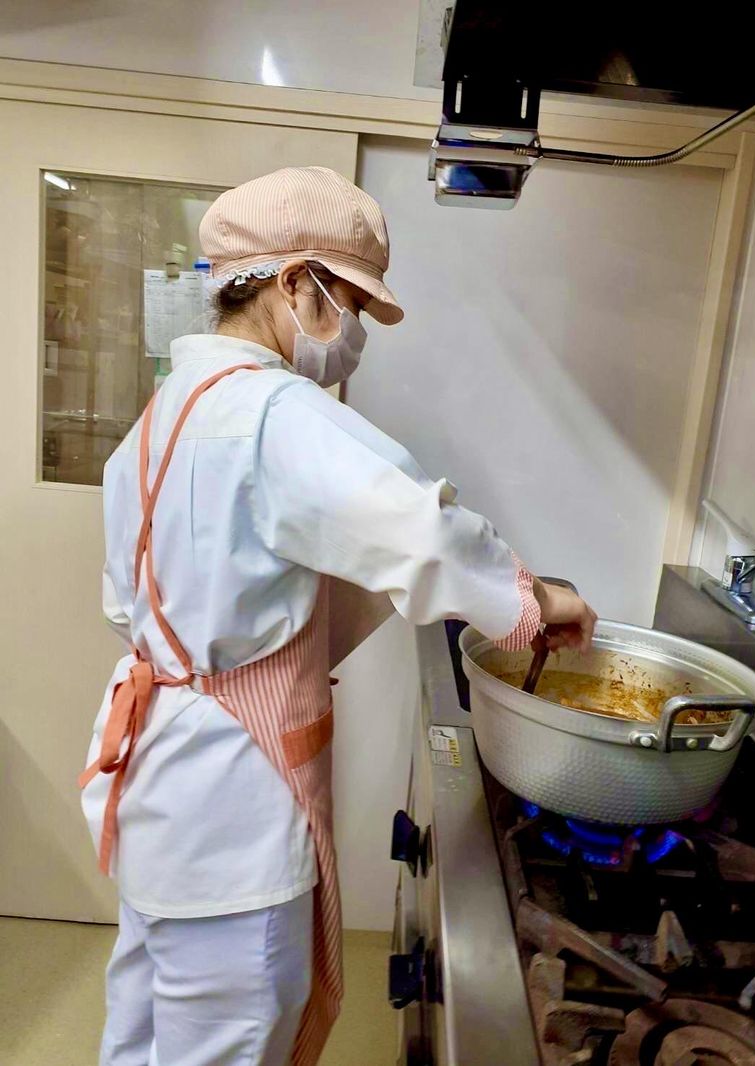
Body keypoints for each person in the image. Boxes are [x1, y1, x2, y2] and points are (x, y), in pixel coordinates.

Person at [81, 166, 597, 1066]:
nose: (353, 331)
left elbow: (130, 603)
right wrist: (532, 600)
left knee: (144, 1033)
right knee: (230, 1037)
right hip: (232, 818)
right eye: (350, 302)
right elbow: (419, 527)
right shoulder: (269, 411)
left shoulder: (161, 417)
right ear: (292, 282)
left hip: (159, 789)